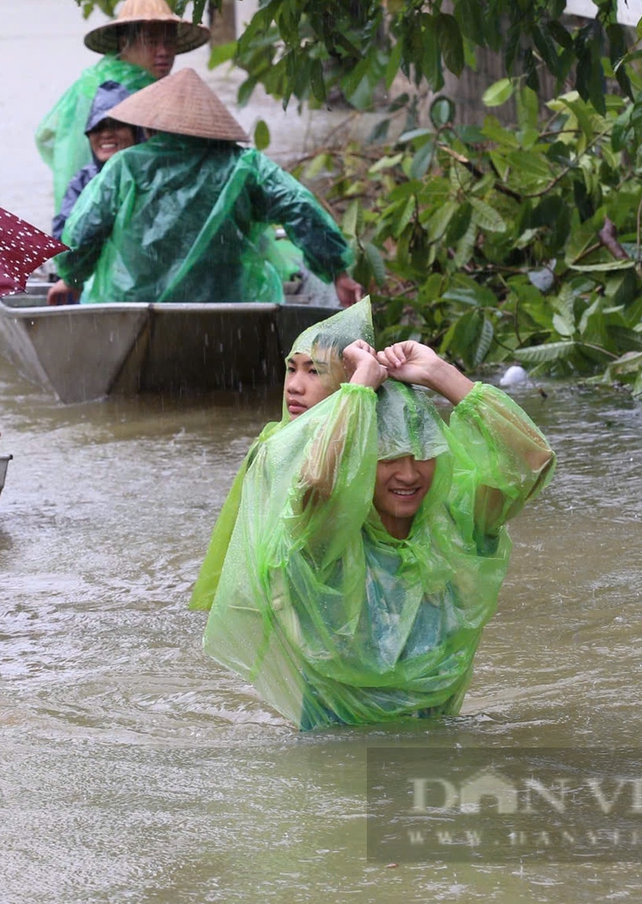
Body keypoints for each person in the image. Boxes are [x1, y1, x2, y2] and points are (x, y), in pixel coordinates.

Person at [202, 338, 555, 728]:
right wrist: (359, 388)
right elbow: (317, 482)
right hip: (334, 761)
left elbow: (531, 462)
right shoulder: (322, 541)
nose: (408, 473)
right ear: (360, 461)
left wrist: (439, 373)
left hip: (436, 753)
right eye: (387, 458)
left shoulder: (456, 528)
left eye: (422, 454)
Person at [51, 67, 364, 306]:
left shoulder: (126, 166)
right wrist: (337, 272)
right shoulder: (246, 165)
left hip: (134, 302)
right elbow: (299, 207)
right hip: (229, 302)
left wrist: (71, 278)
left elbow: (84, 231)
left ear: (149, 126)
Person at [188, 299, 373, 611]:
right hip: (281, 610)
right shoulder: (272, 445)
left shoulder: (370, 450)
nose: (294, 387)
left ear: (351, 379)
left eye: (315, 371)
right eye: (291, 369)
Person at [36, 0, 208, 212]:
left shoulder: (95, 79)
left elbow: (46, 135)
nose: (163, 51)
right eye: (152, 42)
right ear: (125, 42)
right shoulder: (108, 90)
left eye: (169, 42)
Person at [50, 80, 144, 239]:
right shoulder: (81, 182)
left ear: (135, 132)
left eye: (115, 125)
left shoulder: (152, 177)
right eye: (97, 128)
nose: (106, 134)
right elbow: (63, 242)